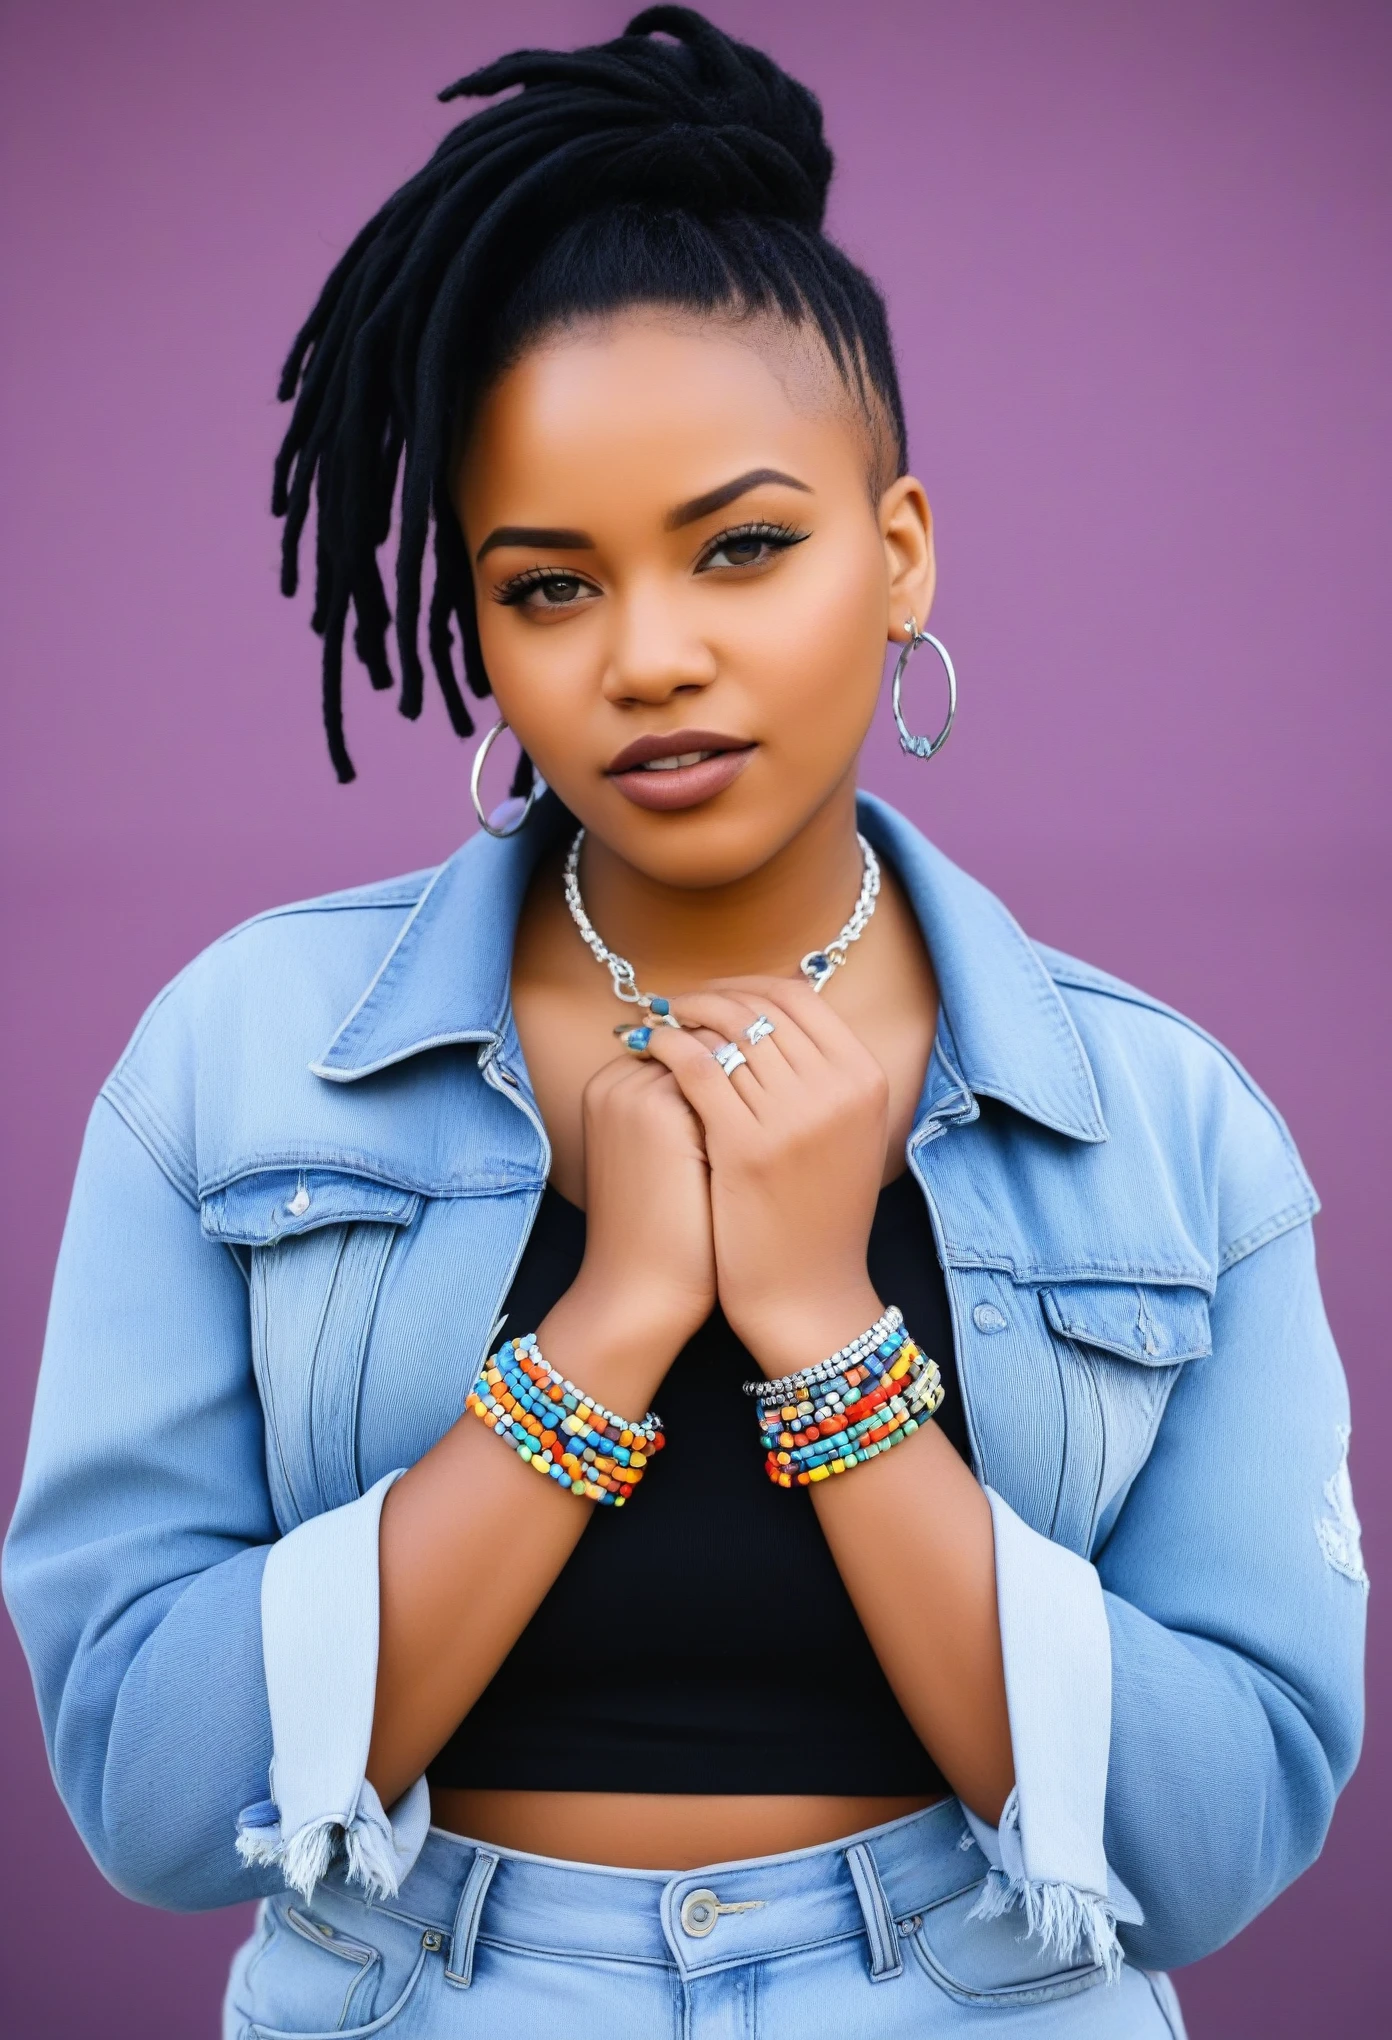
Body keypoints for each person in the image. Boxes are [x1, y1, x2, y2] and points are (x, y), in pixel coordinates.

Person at [3, 10, 1365, 2036]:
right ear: (474, 620)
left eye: (745, 548)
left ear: (898, 557)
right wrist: (611, 1323)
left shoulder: (1165, 1126)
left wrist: (824, 1327)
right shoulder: (235, 1066)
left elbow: (1207, 1846)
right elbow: (150, 1789)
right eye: (551, 587)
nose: (652, 656)